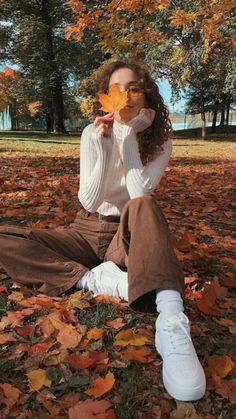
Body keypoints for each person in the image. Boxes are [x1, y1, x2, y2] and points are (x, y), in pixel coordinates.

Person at [0, 59, 206, 401]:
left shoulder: (161, 143)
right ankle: (92, 280)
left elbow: (140, 193)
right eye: (116, 90)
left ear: (147, 96)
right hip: (84, 230)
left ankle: (171, 320)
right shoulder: (91, 133)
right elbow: (89, 199)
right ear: (104, 98)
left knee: (144, 205)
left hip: (126, 235)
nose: (124, 97)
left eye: (133, 89)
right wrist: (102, 145)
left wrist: (127, 138)